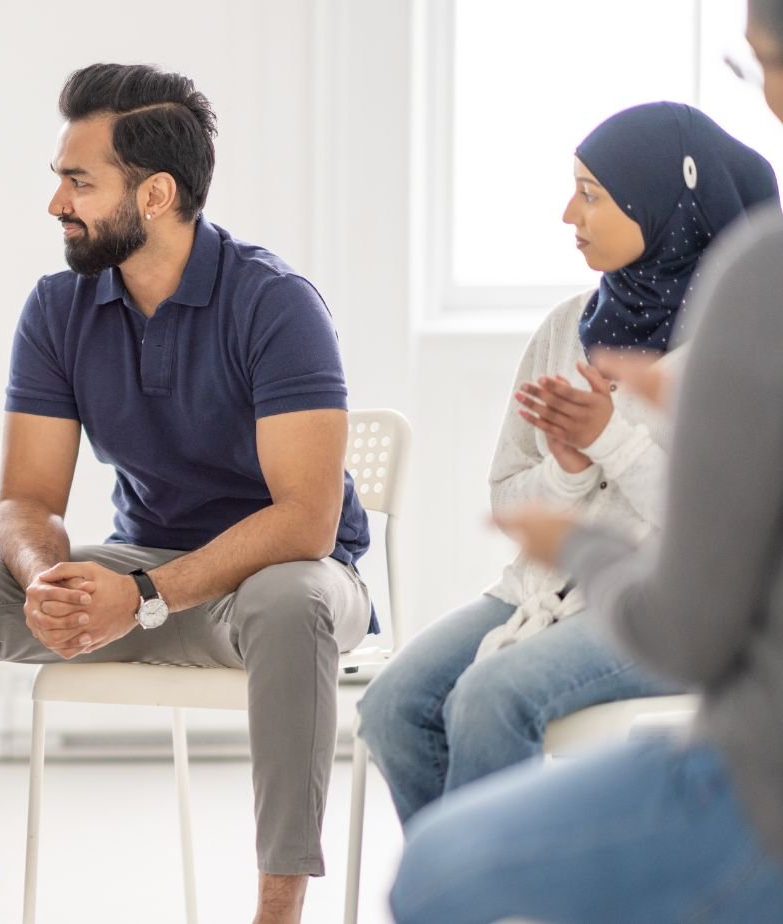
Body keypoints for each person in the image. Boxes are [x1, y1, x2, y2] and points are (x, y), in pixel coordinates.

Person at [0, 63, 373, 924]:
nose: (57, 205)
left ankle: (279, 915)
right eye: (59, 181)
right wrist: (48, 579)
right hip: (138, 568)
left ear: (154, 194)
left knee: (291, 603)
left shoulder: (276, 305)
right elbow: (27, 499)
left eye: (79, 182)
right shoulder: (58, 308)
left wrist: (146, 598)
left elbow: (308, 520)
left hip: (271, 584)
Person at [386, 5, 783, 919]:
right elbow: (510, 488)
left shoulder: (741, 309)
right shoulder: (567, 328)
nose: (569, 214)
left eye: (593, 193)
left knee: (487, 702)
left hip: (659, 602)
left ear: (662, 201)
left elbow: (696, 549)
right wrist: (568, 464)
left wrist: (607, 440)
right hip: (546, 585)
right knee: (396, 703)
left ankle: (495, 889)